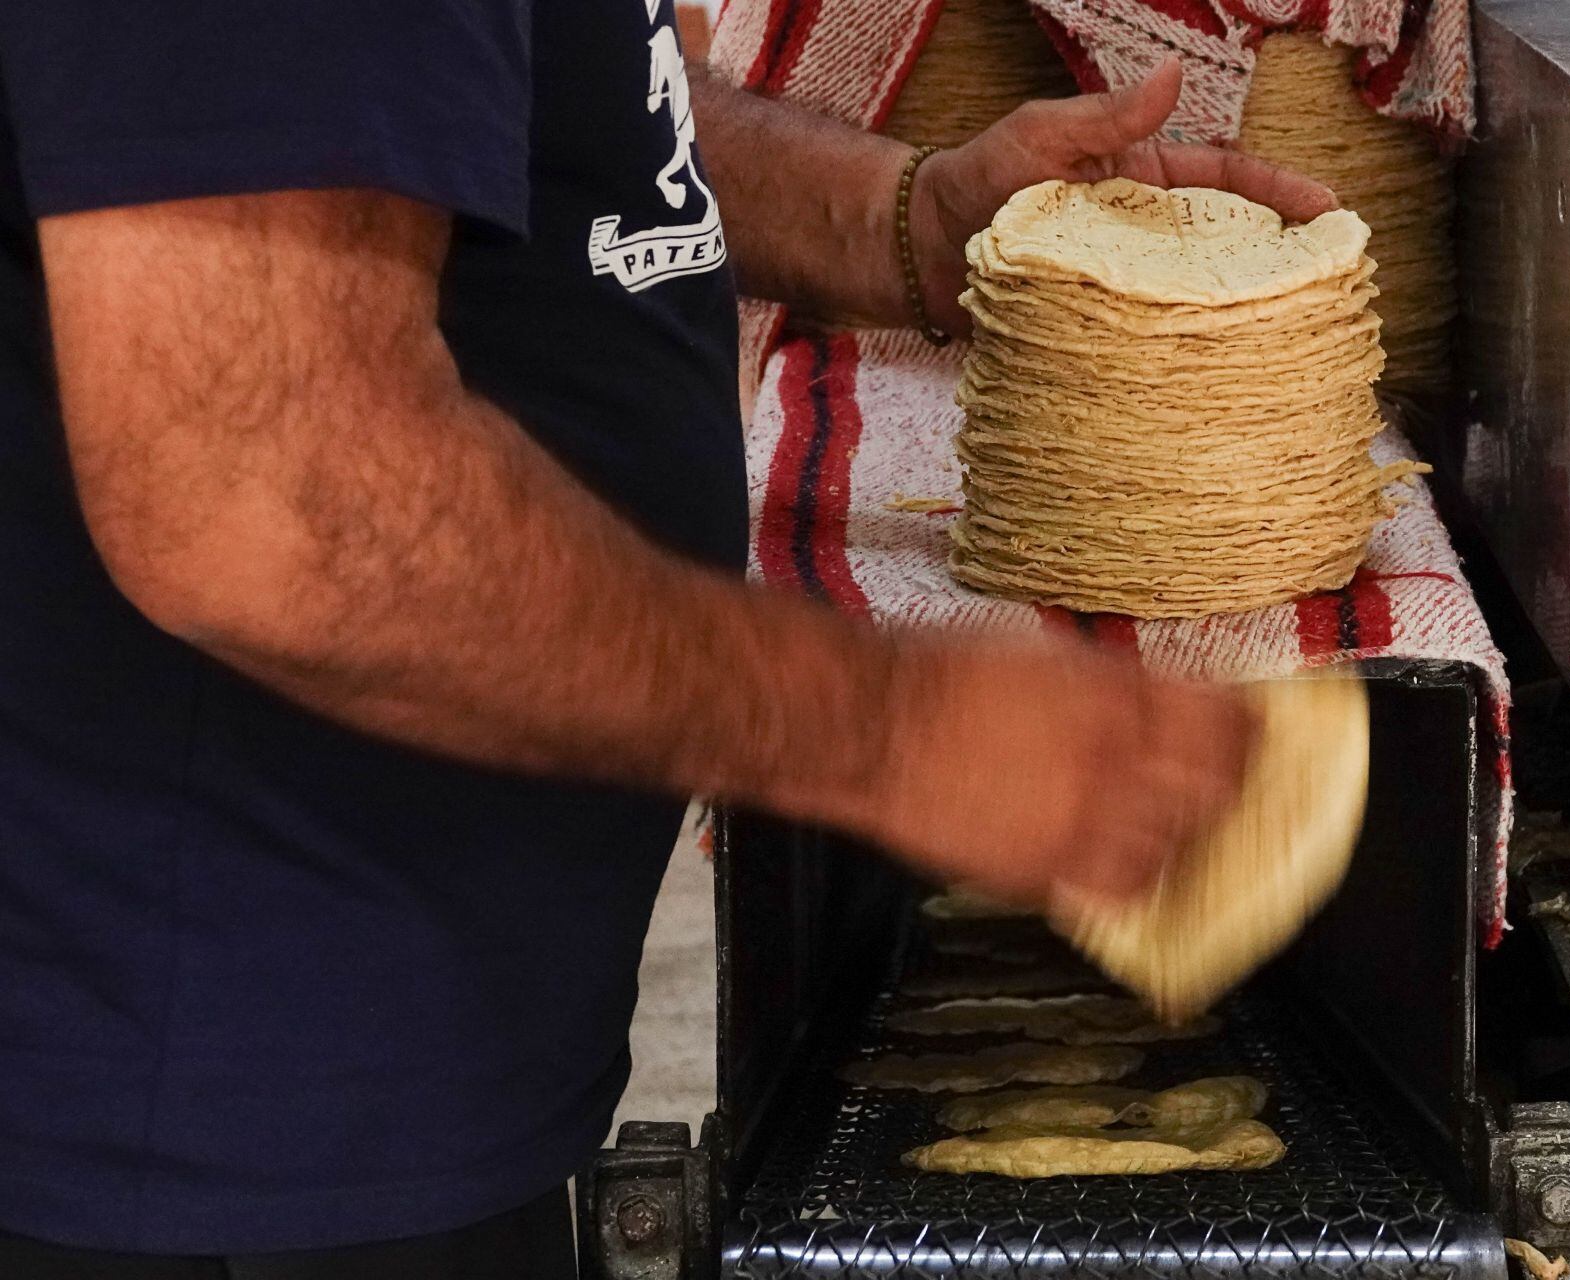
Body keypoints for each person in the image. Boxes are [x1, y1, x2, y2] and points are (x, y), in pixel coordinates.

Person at [0, 3, 1335, 1276]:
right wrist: (894, 733)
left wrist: (902, 220)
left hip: (358, 1042)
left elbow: (509, 104)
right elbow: (280, 498)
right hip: (206, 1102)